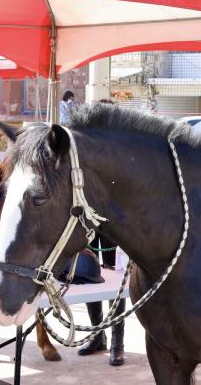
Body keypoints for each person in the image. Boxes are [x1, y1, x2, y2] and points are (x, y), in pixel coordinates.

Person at [76, 98, 126, 366]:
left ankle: (117, 343)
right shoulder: (86, 148)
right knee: (88, 276)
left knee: (115, 281)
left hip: (114, 225)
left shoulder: (119, 150)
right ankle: (98, 336)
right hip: (88, 220)